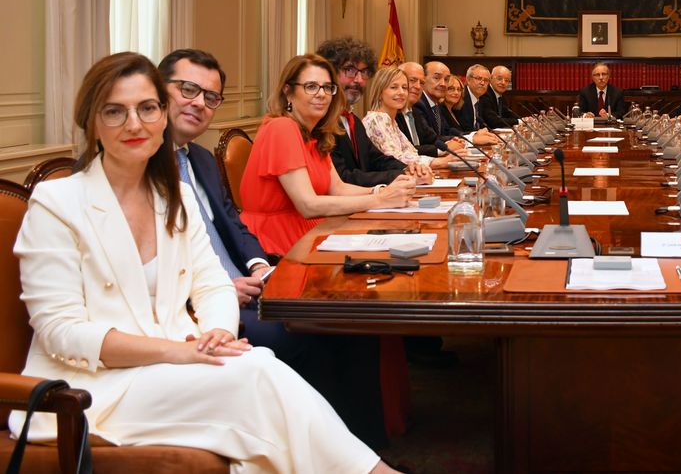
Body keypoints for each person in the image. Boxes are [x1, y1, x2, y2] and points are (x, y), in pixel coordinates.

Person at [8, 51, 399, 473]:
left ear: (162, 116)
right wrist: (178, 352)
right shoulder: (58, 202)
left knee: (256, 369)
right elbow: (60, 332)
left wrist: (216, 331)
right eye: (114, 111)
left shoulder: (174, 195)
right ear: (92, 122)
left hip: (182, 357)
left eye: (147, 109)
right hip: (91, 387)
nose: (135, 124)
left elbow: (212, 283)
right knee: (256, 376)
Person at [159, 48, 390, 449]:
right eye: (187, 90)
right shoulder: (137, 166)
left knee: (357, 329)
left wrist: (258, 267)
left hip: (249, 279)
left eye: (210, 97)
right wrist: (223, 286)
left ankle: (363, 450)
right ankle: (326, 454)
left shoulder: (199, 158)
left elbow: (232, 224)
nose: (199, 103)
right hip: (201, 303)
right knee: (318, 337)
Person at [240, 54, 416, 257]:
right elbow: (308, 205)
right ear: (288, 91)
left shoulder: (316, 133)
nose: (321, 94)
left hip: (312, 232)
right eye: (311, 86)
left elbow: (338, 188)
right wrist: (381, 200)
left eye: (327, 87)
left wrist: (383, 190)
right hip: (276, 244)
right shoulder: (282, 127)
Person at [315, 37, 425, 187]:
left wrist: (408, 169)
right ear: (330, 72)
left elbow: (377, 159)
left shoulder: (354, 121)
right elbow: (344, 177)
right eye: (350, 70)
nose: (359, 79)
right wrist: (399, 176)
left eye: (364, 72)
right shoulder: (321, 121)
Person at [363, 65, 456, 169]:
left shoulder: (390, 120)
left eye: (404, 88)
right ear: (379, 92)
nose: (401, 93)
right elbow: (395, 158)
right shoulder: (376, 119)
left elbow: (412, 152)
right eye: (394, 87)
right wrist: (438, 162)